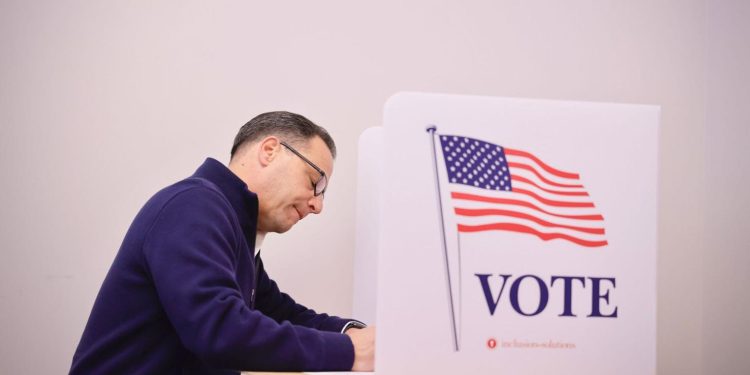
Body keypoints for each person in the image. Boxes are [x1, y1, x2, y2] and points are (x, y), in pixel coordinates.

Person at [70, 111, 375, 374]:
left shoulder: (234, 230)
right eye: (315, 182)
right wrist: (350, 351)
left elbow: (281, 313)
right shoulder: (193, 206)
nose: (317, 205)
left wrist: (355, 333)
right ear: (270, 150)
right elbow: (220, 329)